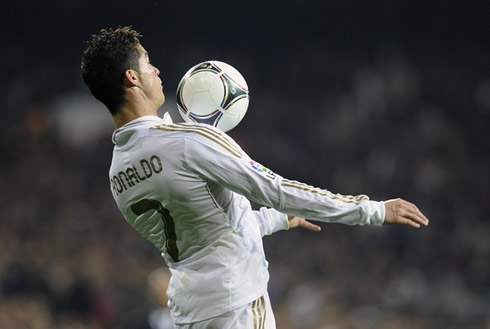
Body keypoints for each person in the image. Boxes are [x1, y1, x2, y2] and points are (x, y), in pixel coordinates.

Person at [81, 26, 429, 329]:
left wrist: (275, 220)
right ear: (132, 78)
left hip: (189, 313)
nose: (156, 70)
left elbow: (203, 231)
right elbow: (276, 189)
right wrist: (373, 210)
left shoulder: (118, 173)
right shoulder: (187, 141)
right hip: (236, 303)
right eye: (147, 62)